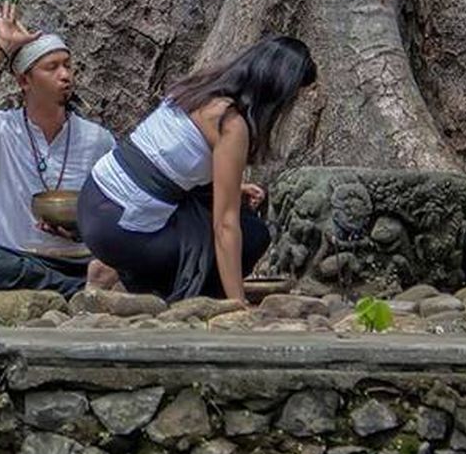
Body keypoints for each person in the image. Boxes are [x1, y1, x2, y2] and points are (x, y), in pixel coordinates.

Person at [78, 35, 317, 304]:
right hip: (119, 229)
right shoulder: (231, 124)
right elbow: (225, 226)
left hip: (93, 200)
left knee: (240, 214)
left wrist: (233, 188)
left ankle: (113, 267)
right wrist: (237, 304)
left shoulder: (199, 90)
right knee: (251, 235)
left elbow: (166, 162)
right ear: (277, 93)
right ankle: (141, 278)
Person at [0, 0, 117, 300]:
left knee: (131, 258)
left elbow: (113, 212)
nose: (65, 75)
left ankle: (80, 288)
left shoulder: (97, 140)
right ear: (24, 81)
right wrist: (2, 46)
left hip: (81, 262)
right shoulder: (0, 133)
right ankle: (81, 294)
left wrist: (80, 232)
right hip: (20, 258)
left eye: (68, 65)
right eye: (52, 67)